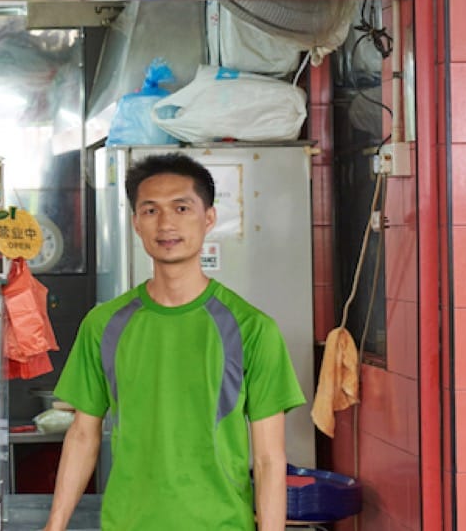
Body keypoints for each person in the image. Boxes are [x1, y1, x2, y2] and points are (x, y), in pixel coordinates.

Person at [43, 153, 304, 531]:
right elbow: (83, 434)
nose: (166, 223)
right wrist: (55, 525)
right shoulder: (104, 324)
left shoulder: (251, 328)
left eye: (182, 208)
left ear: (209, 217)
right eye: (150, 211)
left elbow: (268, 459)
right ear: (135, 222)